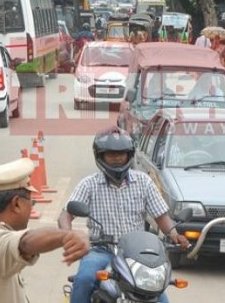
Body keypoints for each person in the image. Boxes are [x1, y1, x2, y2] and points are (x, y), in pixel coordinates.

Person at [57, 127, 190, 303]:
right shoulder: (89, 184)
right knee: (85, 279)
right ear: (100, 155)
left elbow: (161, 216)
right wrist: (69, 234)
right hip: (101, 250)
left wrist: (174, 234)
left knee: (158, 293)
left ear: (129, 154)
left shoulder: (143, 181)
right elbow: (65, 215)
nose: (118, 158)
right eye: (111, 154)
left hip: (136, 254)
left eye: (122, 153)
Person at [0, 158, 90, 303]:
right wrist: (67, 235)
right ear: (16, 204)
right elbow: (25, 242)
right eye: (31, 202)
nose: (32, 207)